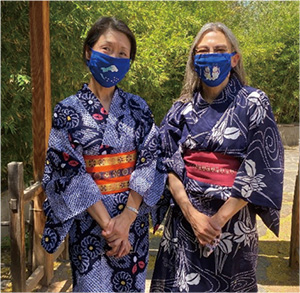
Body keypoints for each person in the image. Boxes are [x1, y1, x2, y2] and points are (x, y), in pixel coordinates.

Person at [150, 22, 284, 292]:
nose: (211, 55)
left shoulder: (254, 102)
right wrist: (193, 216)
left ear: (234, 58)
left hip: (232, 224)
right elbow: (168, 164)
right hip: (185, 224)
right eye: (203, 51)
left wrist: (216, 221)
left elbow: (262, 165)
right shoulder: (181, 109)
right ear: (194, 59)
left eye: (219, 49)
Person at [41, 16, 165, 292]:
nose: (114, 58)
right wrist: (111, 227)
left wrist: (127, 220)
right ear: (89, 52)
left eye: (123, 54)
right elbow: (69, 171)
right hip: (90, 224)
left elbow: (150, 162)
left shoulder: (138, 108)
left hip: (131, 224)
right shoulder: (68, 110)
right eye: (107, 49)